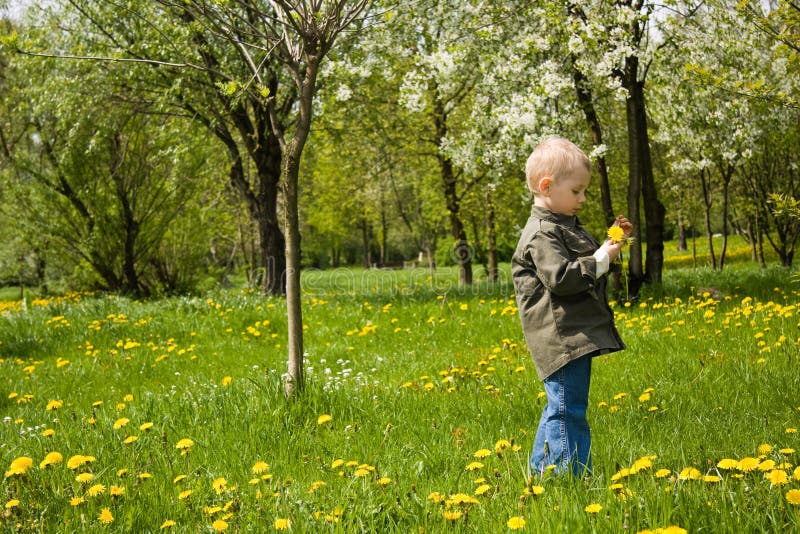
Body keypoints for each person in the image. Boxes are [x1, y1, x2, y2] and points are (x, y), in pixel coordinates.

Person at [511, 136, 632, 477]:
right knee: (568, 410)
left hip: (569, 334)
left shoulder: (560, 226)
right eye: (577, 191)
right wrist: (600, 259)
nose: (583, 199)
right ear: (547, 186)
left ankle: (541, 473)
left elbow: (586, 261)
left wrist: (610, 246)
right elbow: (562, 279)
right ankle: (571, 477)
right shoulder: (541, 233)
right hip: (560, 337)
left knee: (560, 407)